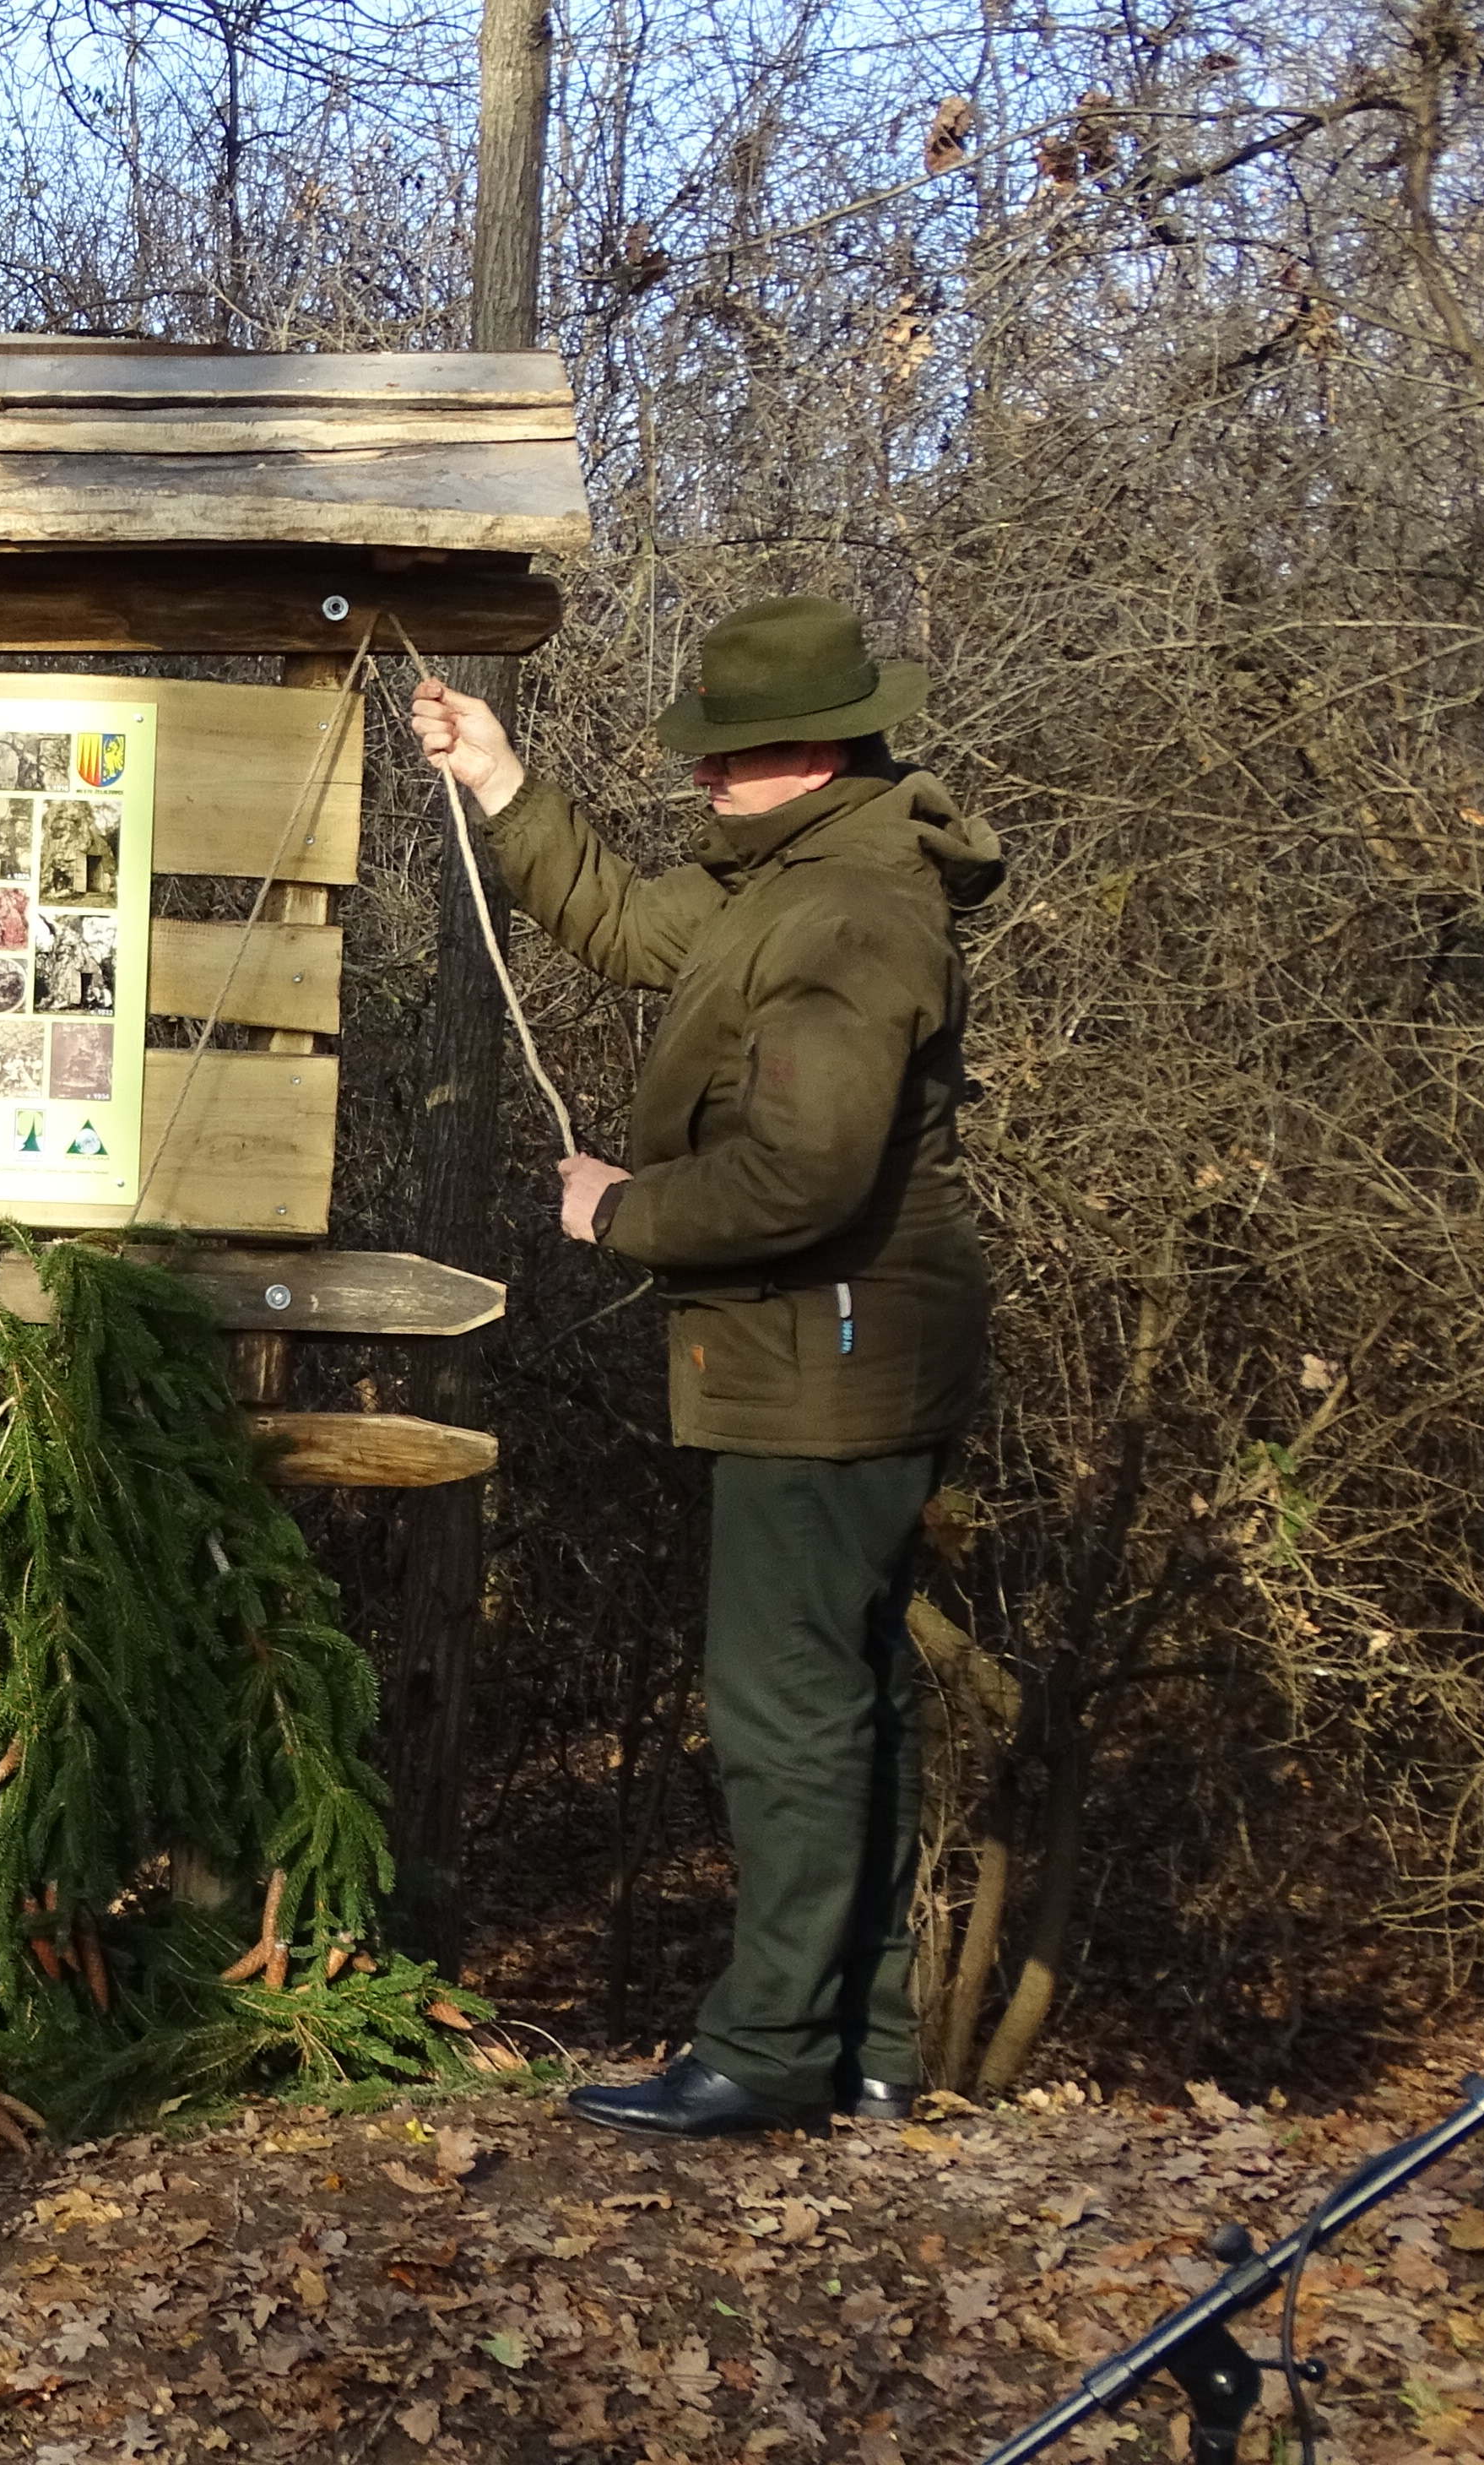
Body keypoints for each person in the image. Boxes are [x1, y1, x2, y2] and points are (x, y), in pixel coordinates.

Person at [408, 594, 1005, 2139]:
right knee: (850, 1697)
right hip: (834, 1351)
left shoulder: (851, 918)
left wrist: (625, 1212)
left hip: (832, 1358)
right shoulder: (797, 878)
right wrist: (500, 781)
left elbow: (803, 1173)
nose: (697, 783)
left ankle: (771, 2052)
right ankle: (868, 2047)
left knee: (785, 1705)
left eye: (720, 761)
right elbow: (626, 923)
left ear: (801, 752)